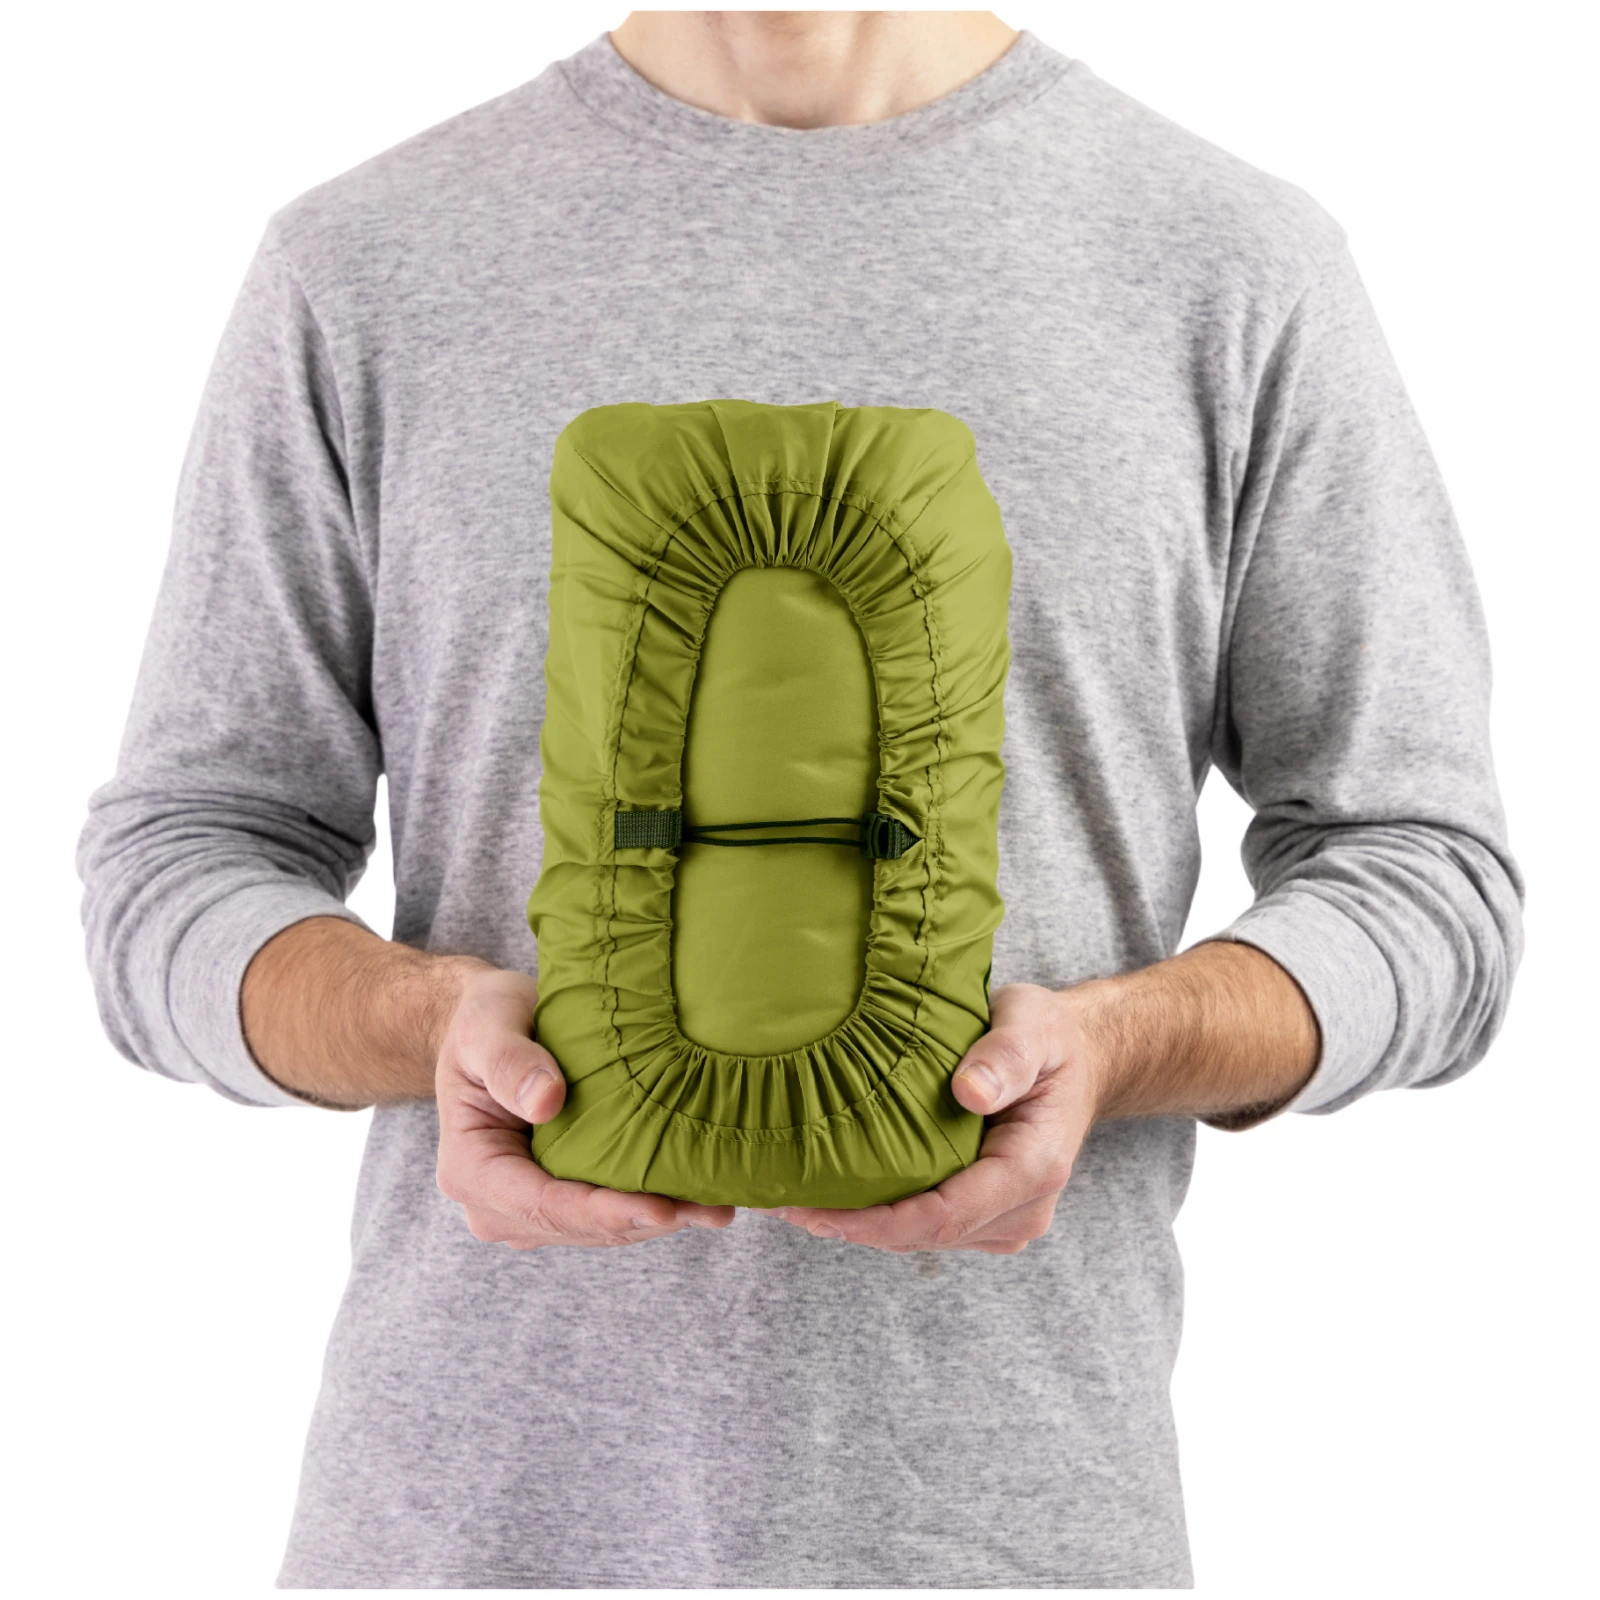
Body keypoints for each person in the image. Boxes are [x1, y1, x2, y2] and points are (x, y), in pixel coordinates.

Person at [77, 11, 1523, 1590]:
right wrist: (421, 1021)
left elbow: (1425, 876)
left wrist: (1125, 1044)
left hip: (1012, 1534)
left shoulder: (1230, 264)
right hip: (460, 1536)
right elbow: (180, 858)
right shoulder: (366, 263)